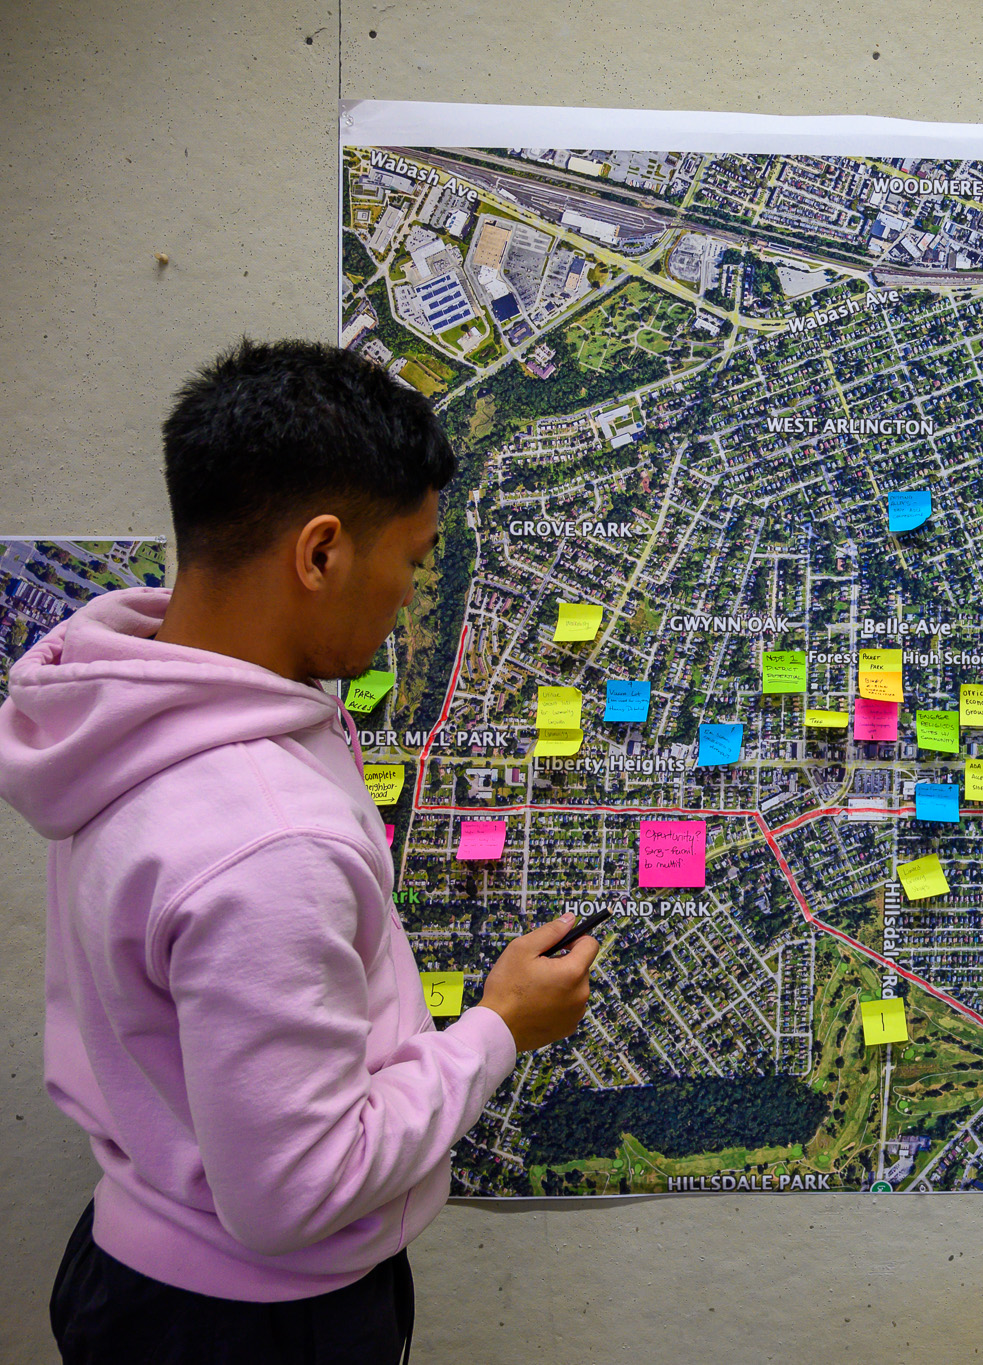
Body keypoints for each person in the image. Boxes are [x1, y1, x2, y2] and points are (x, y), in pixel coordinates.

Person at [0, 339, 599, 1363]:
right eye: (409, 563)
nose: (412, 595)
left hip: (144, 1268)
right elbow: (297, 1192)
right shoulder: (262, 839)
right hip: (249, 1327)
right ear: (320, 553)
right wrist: (497, 1028)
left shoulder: (136, 701)